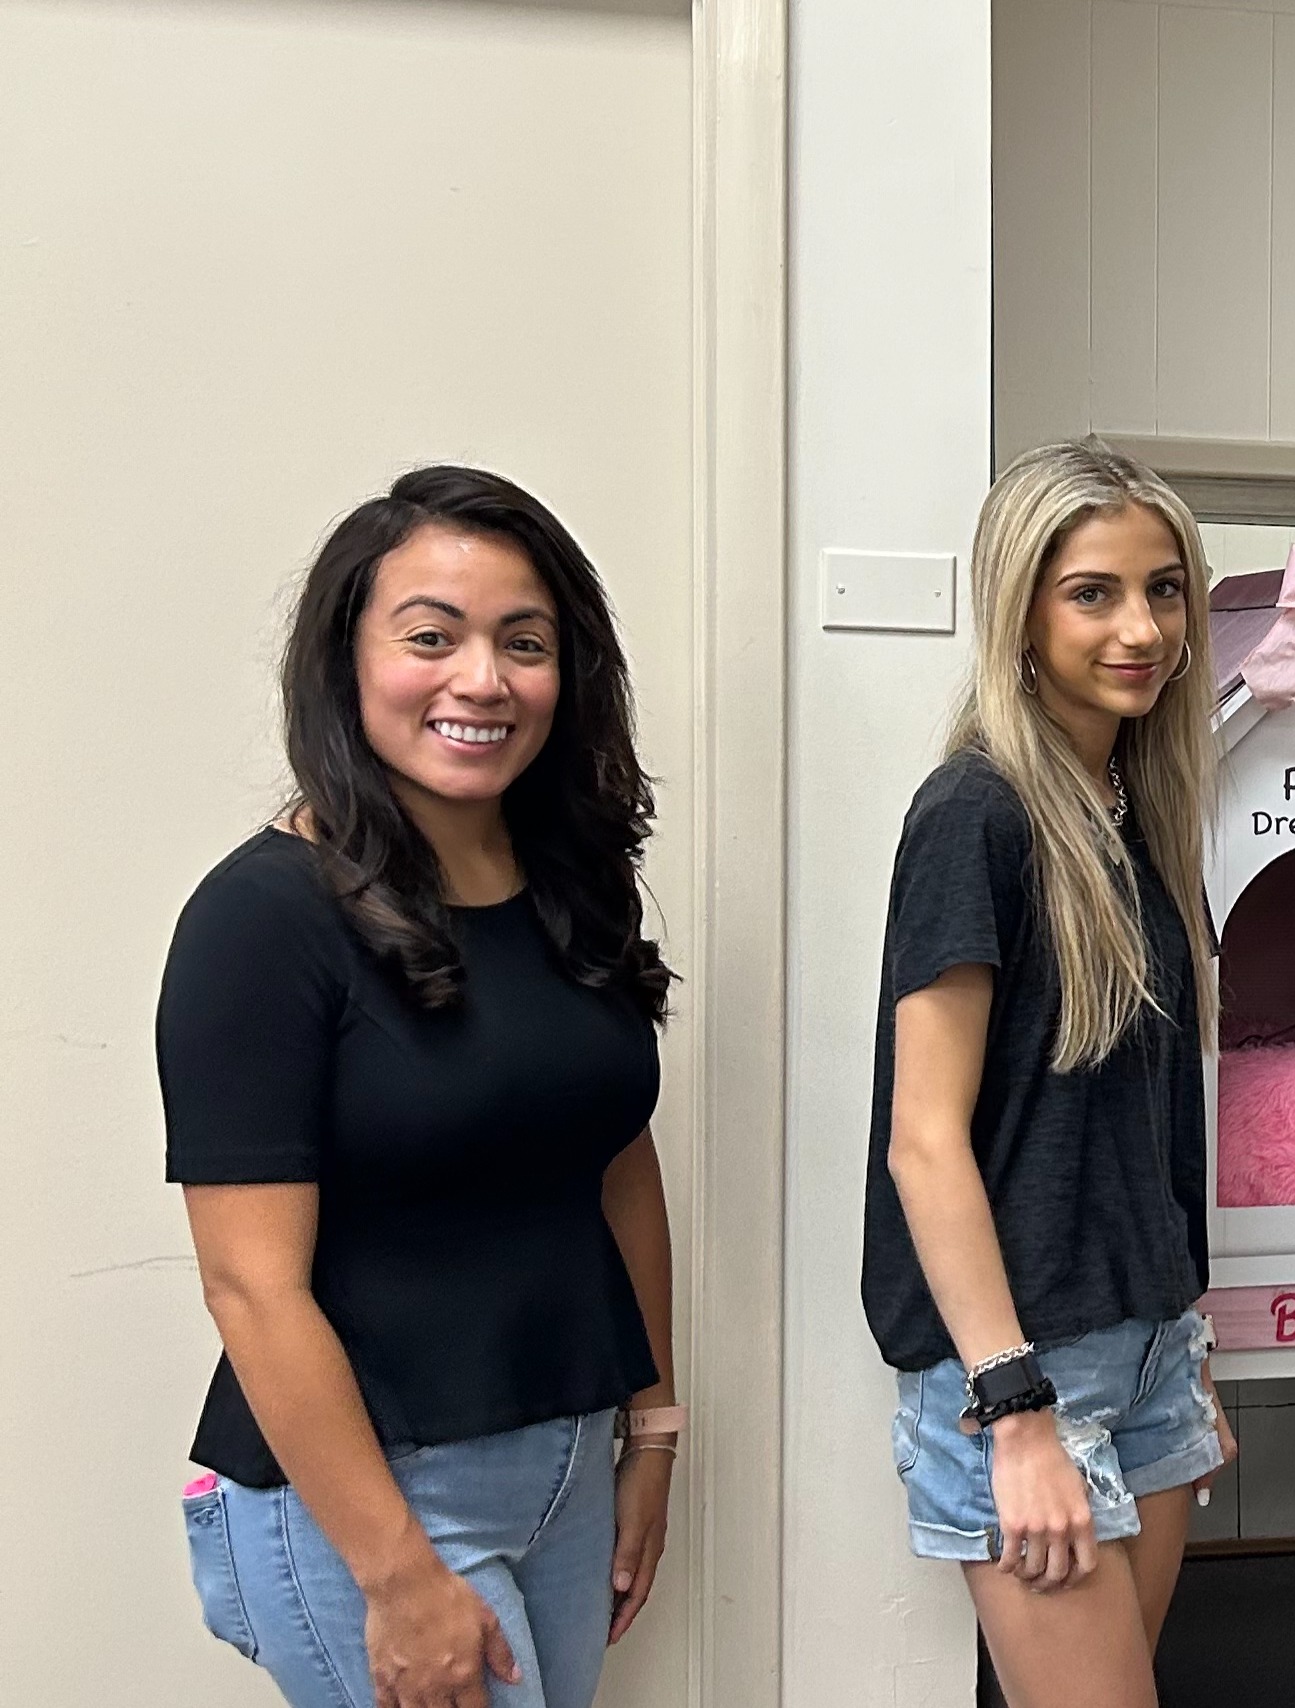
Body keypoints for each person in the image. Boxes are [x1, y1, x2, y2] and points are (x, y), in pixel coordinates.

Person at [162, 468, 684, 1708]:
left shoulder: (571, 886)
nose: (482, 679)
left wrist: (655, 1428)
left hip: (565, 1464)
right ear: (346, 659)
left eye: (524, 642)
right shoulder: (261, 919)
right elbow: (252, 1284)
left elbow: (615, 1153)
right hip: (373, 1501)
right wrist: (395, 1572)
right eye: (431, 637)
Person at [863, 437, 1236, 1706]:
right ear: (1021, 610)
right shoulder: (974, 814)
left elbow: (1143, 1129)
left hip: (1148, 1351)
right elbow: (924, 1139)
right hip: (1025, 1371)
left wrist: (1183, 1344)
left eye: (1165, 589)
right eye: (1093, 593)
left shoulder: (1136, 811)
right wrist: (1015, 1409)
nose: (1142, 628)